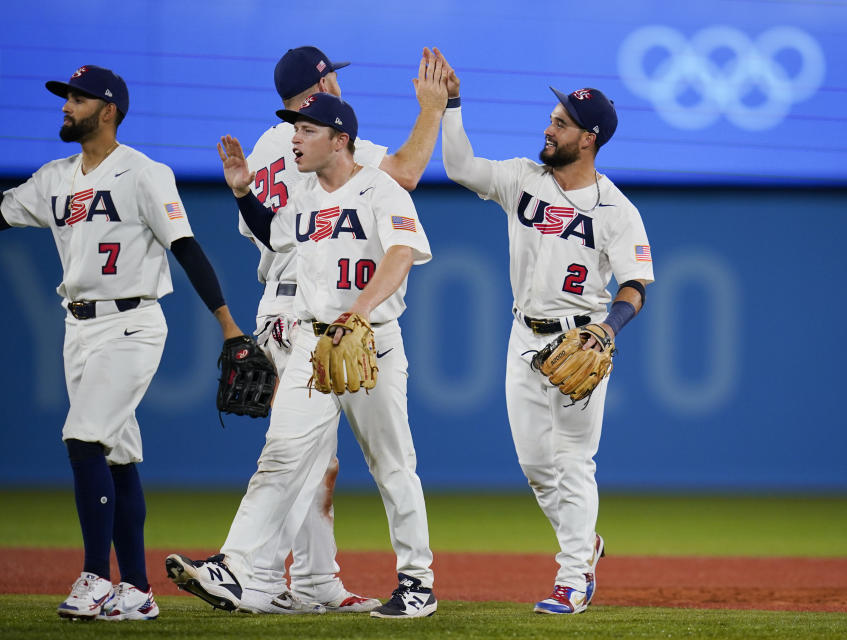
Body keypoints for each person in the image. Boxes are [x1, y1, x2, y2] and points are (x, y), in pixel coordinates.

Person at [165, 46, 448, 615]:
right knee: (282, 455)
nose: (294, 136)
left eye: (306, 129)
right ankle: (237, 565)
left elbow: (400, 254)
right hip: (314, 348)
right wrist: (244, 192)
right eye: (295, 126)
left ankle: (417, 582)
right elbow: (274, 237)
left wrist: (361, 311)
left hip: (372, 345)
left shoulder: (379, 188)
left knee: (393, 467)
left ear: (338, 139)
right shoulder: (303, 196)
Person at [0, 65, 247, 621]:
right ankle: (136, 590)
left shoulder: (144, 173)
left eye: (78, 98)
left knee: (83, 438)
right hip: (77, 327)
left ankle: (93, 577)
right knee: (116, 454)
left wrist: (227, 323)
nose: (66, 105)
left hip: (131, 323)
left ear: (108, 110)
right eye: (65, 96)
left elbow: (185, 247)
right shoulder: (54, 178)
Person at [440, 57, 654, 614]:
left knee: (575, 462)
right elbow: (461, 167)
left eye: (561, 123)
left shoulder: (617, 210)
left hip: (581, 342)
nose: (548, 128)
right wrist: (451, 106)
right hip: (522, 339)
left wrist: (608, 330)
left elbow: (635, 285)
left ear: (589, 138)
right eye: (552, 117)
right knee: (537, 468)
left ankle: (573, 577)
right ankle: (584, 542)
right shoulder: (522, 179)